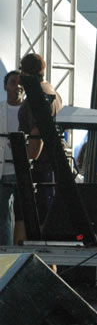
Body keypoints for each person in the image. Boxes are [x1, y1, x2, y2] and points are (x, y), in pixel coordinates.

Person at [18, 53, 63, 224]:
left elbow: (38, 132)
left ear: (26, 73)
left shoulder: (39, 95)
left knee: (38, 215)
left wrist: (27, 163)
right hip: (51, 162)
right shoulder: (52, 91)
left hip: (41, 165)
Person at [0, 71, 25, 245]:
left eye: (19, 83)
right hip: (3, 170)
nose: (17, 86)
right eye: (13, 82)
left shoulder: (28, 110)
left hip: (23, 169)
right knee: (3, 215)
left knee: (24, 216)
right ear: (5, 87)